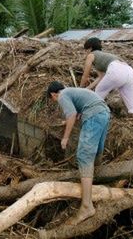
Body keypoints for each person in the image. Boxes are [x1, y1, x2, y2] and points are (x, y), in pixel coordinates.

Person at [47, 81, 110, 225]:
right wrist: (68, 120)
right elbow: (76, 114)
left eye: (53, 100)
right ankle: (97, 179)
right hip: (104, 113)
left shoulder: (62, 95)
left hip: (94, 116)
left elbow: (72, 114)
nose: (57, 102)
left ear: (53, 94)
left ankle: (87, 206)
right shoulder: (72, 91)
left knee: (83, 156)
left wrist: (65, 138)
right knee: (96, 152)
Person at [80, 37, 133, 138]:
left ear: (89, 48)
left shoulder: (91, 55)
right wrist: (88, 88)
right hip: (129, 72)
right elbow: (101, 77)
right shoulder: (104, 56)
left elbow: (85, 75)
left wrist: (80, 90)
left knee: (96, 96)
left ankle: (86, 118)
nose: (85, 53)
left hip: (116, 71)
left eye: (85, 50)